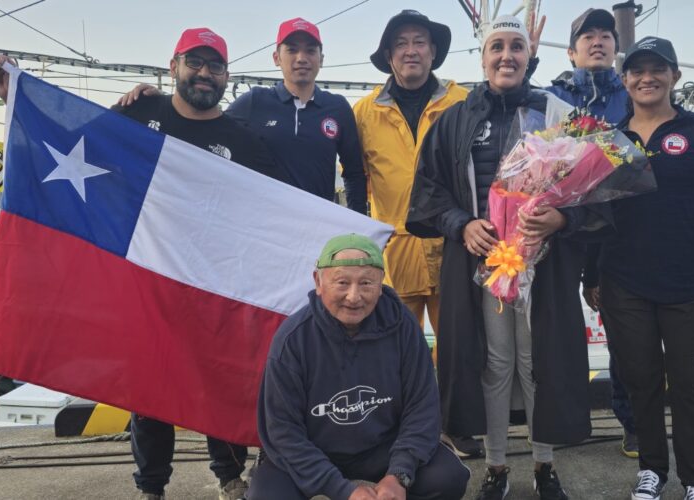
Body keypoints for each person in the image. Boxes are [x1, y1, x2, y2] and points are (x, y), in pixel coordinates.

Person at [0, 28, 292, 500]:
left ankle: (229, 476)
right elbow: (74, 139)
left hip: (210, 282)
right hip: (144, 277)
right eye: (195, 62)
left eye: (215, 66)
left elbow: (275, 209)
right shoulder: (139, 113)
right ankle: (151, 487)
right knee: (148, 386)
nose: (204, 74)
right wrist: (17, 95)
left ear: (227, 77)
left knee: (218, 378)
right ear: (173, 67)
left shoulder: (242, 139)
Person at [407, 16, 595, 500]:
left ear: (530, 56)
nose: (506, 56)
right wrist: (461, 224)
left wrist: (561, 221)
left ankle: (544, 464)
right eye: (497, 48)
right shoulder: (454, 118)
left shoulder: (560, 114)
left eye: (516, 47)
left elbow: (595, 194)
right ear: (483, 57)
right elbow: (427, 193)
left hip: (544, 265)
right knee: (493, 363)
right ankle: (494, 467)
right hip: (482, 265)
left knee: (538, 362)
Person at [583, 36, 694, 500]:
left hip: (690, 279)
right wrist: (592, 277)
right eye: (636, 70)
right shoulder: (608, 136)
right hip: (623, 281)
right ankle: (652, 469)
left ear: (675, 76)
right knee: (640, 381)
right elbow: (594, 211)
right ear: (624, 79)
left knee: (691, 387)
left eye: (657, 69)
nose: (646, 77)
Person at [352, 9, 484, 460]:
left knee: (459, 344)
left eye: (420, 41)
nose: (411, 50)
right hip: (394, 248)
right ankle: (395, 430)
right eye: (401, 43)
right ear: (389, 56)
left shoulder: (464, 101)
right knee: (393, 346)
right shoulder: (364, 111)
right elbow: (355, 179)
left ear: (433, 51)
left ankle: (455, 425)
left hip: (454, 241)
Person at [249, 233, 470, 500]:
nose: (354, 297)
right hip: (314, 448)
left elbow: (422, 407)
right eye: (342, 282)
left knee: (448, 478)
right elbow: (282, 431)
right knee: (267, 495)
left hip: (381, 447)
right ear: (318, 282)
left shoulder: (403, 325)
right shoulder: (292, 339)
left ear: (380, 284)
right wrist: (343, 490)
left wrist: (399, 474)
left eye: (366, 283)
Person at [120, 18, 367, 215]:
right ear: (276, 58)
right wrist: (162, 102)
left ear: (321, 59)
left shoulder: (338, 108)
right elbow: (204, 122)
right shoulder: (254, 101)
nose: (301, 58)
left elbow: (354, 173)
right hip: (261, 226)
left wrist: (358, 227)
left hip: (320, 225)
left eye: (310, 50)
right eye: (291, 49)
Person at [545, 8, 639, 459]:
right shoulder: (551, 98)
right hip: (563, 231)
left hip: (620, 234)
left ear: (617, 50)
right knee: (554, 328)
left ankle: (633, 422)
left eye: (606, 35)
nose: (598, 41)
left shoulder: (633, 96)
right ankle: (555, 421)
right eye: (588, 36)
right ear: (571, 50)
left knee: (623, 330)